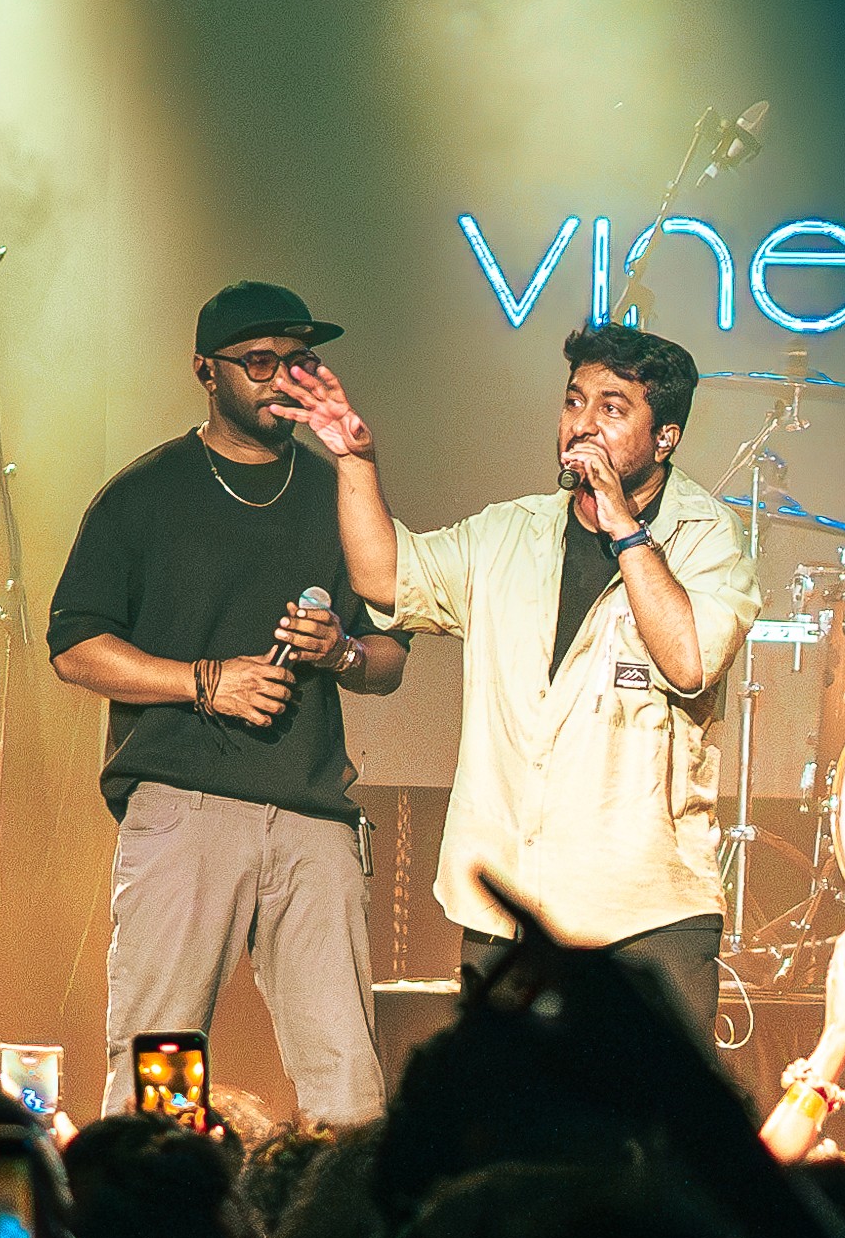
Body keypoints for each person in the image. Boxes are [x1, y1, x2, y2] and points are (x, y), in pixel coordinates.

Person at [299, 320, 762, 1033]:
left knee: (653, 1137)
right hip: (509, 910)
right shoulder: (509, 533)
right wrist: (355, 462)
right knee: (510, 1135)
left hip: (646, 912)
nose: (582, 426)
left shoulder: (705, 537)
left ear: (664, 435)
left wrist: (626, 529)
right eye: (574, 402)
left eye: (611, 409)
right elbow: (385, 577)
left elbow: (689, 661)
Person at [47, 282, 410, 1123]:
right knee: (158, 1071)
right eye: (259, 363)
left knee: (348, 1081)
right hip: (182, 803)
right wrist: (208, 681)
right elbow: (74, 646)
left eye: (298, 361)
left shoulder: (334, 494)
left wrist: (343, 650)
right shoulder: (144, 494)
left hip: (312, 811)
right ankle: (141, 1232)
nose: (281, 379)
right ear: (205, 372)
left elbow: (390, 657)